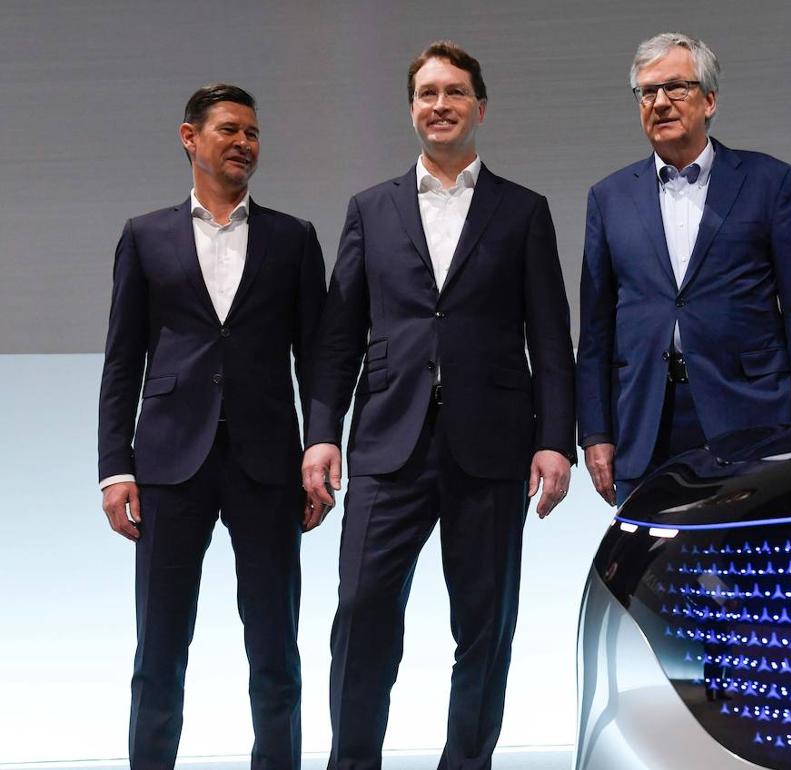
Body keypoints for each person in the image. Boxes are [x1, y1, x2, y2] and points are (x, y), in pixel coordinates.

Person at [301, 41, 576, 769]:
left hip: (493, 445)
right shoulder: (370, 209)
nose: (441, 104)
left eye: (455, 92)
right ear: (412, 108)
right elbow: (339, 336)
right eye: (427, 93)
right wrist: (321, 432)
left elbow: (551, 338)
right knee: (361, 612)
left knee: (485, 626)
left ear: (479, 107)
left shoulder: (523, 211)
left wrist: (556, 439)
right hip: (387, 442)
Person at [97, 83, 326, 769]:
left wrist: (319, 451)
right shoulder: (144, 236)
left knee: (275, 649)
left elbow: (316, 361)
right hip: (169, 464)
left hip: (269, 464)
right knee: (160, 650)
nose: (243, 143)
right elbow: (122, 360)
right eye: (229, 129)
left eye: (252, 132)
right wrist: (115, 467)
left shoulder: (293, 238)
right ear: (189, 137)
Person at [577, 32, 791, 505]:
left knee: (750, 550)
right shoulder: (608, 198)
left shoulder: (770, 182)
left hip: (751, 418)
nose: (660, 102)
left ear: (709, 100)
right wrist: (595, 432)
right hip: (644, 421)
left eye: (676, 87)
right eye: (647, 92)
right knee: (649, 550)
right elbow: (595, 331)